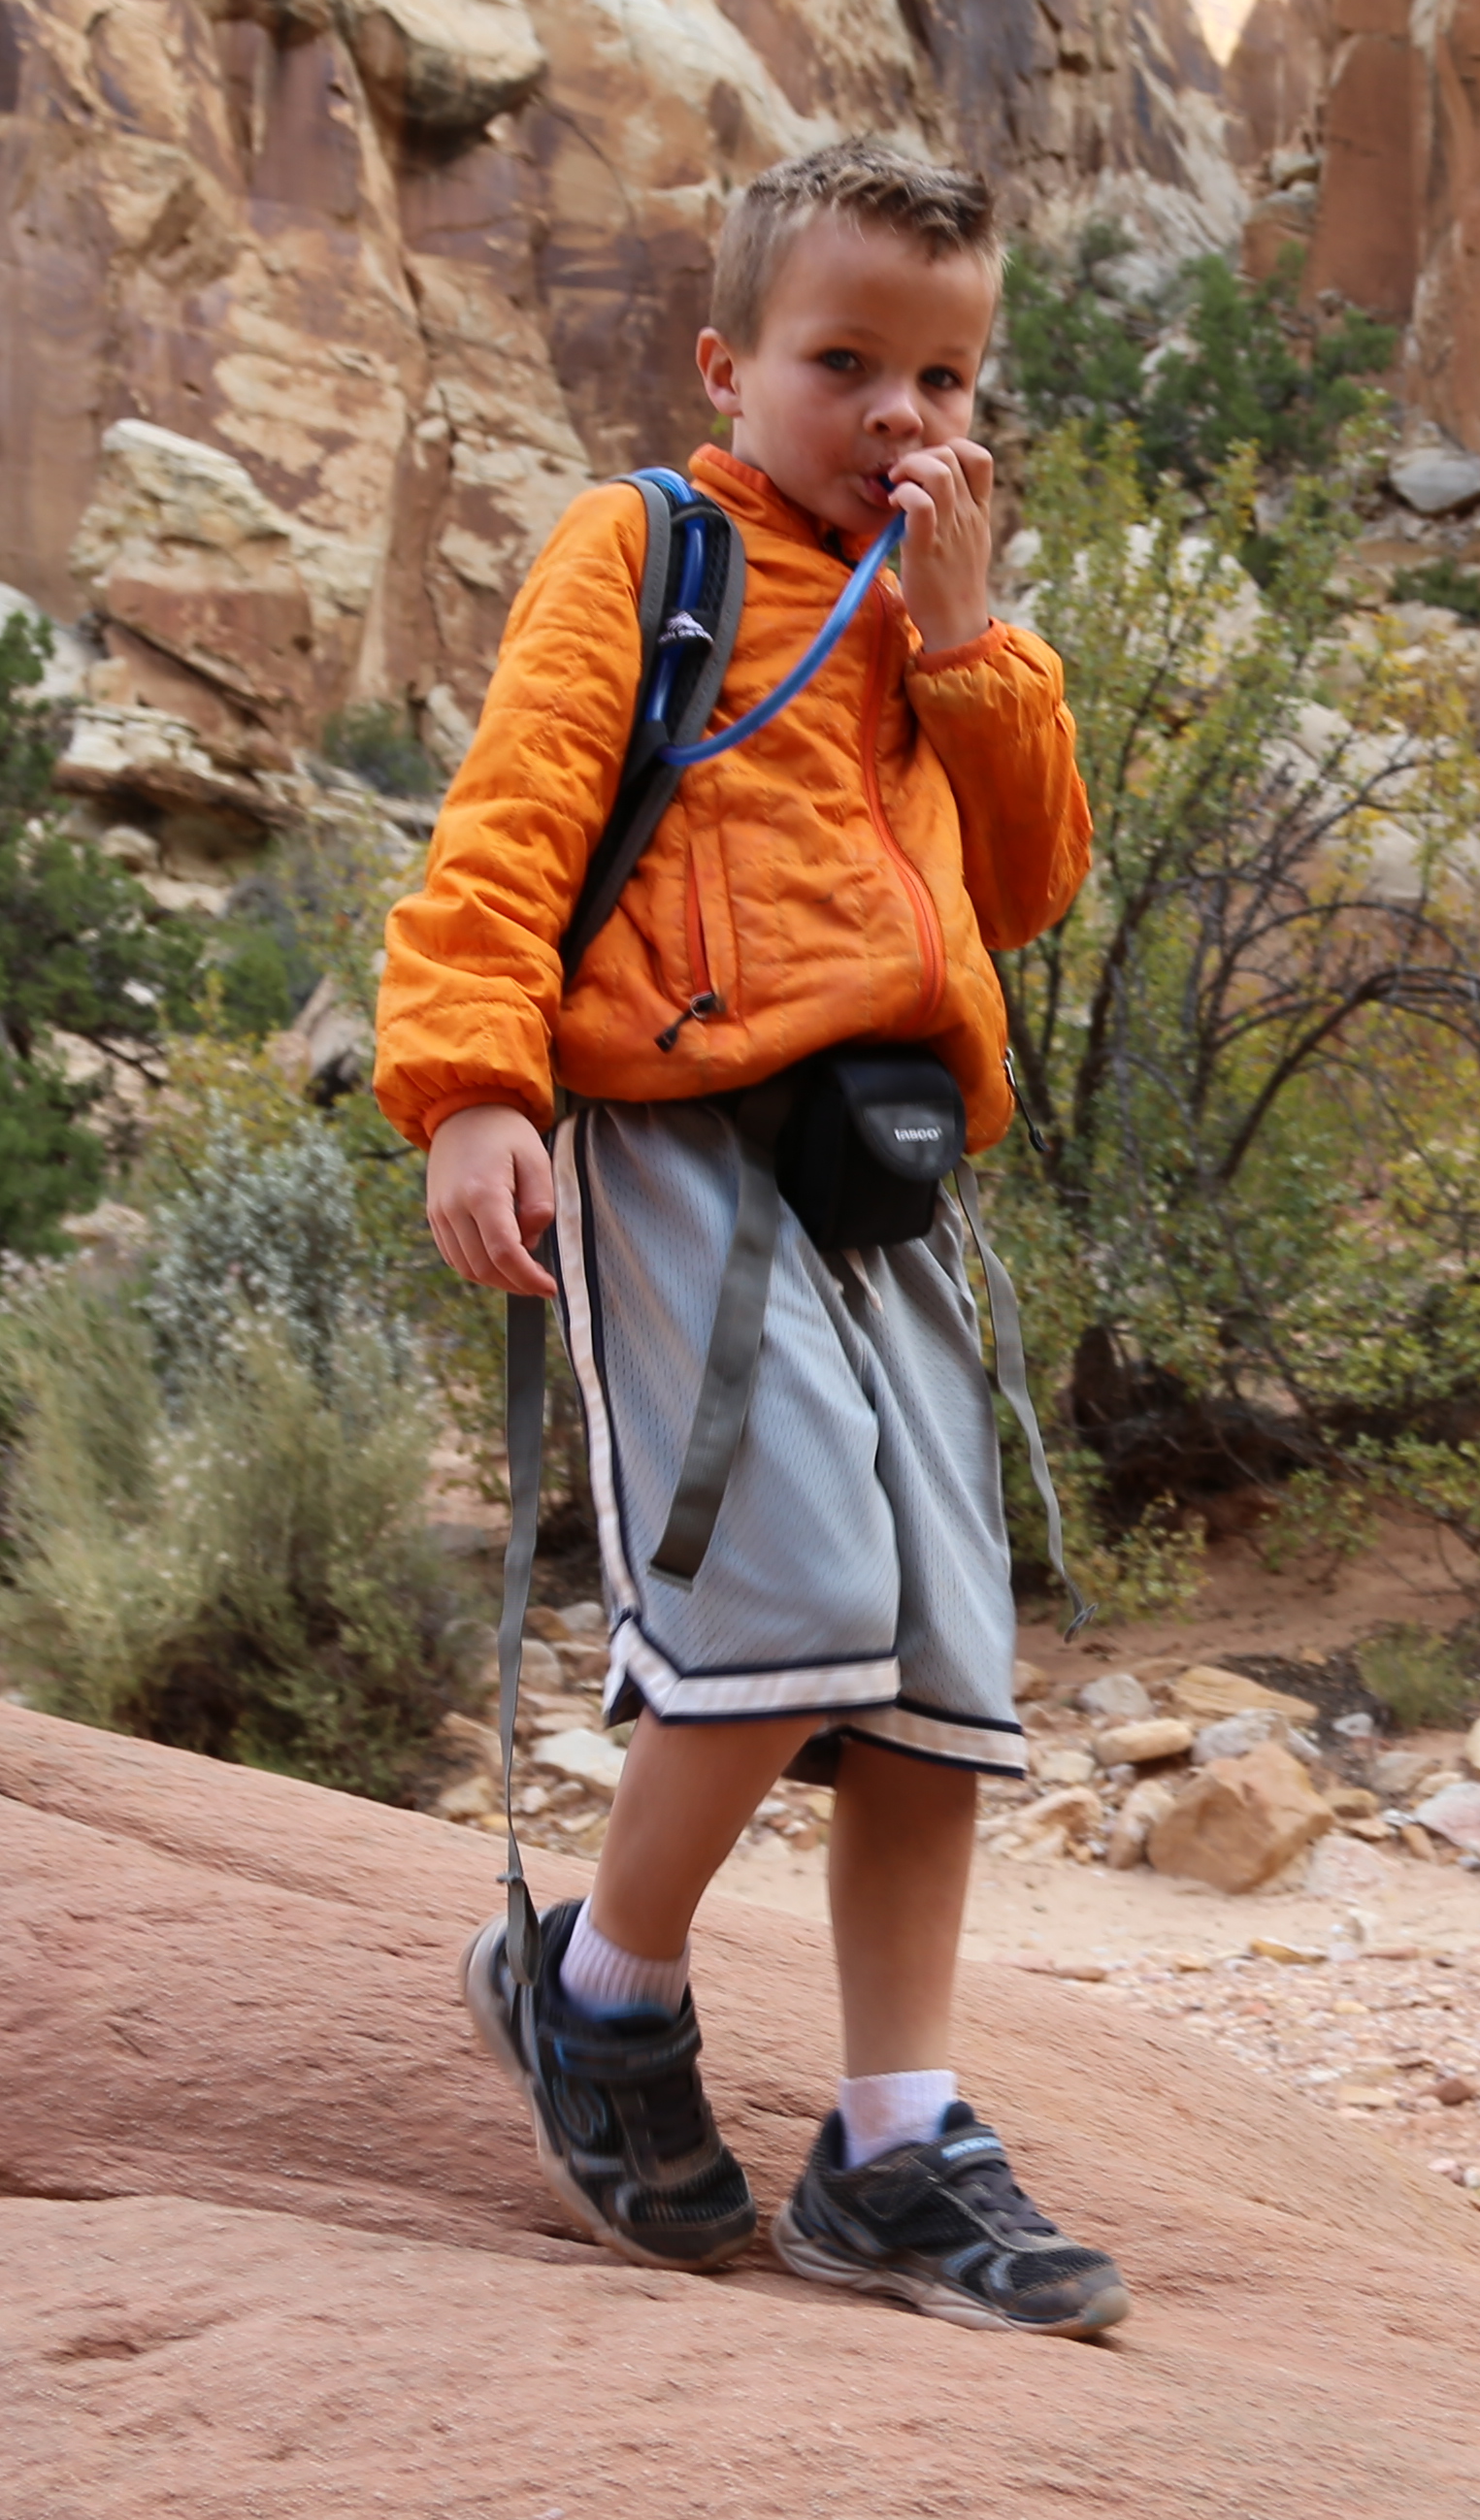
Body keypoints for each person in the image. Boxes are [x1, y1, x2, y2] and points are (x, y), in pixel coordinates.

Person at [375, 135, 1125, 2336]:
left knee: (940, 1656)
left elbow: (1029, 884)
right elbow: (511, 820)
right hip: (675, 1133)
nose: (904, 413)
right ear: (730, 363)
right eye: (846, 362)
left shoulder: (943, 607)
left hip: (885, 1177)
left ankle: (895, 2144)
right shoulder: (649, 543)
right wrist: (474, 1088)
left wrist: (971, 645)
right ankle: (602, 1994)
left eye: (948, 373)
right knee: (787, 1575)